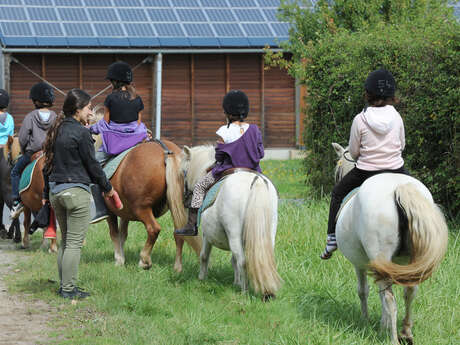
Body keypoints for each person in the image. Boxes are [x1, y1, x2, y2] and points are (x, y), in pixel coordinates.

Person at [321, 68, 410, 260]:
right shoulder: (396, 117)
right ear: (391, 95)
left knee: (337, 193)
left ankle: (331, 238)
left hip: (366, 171)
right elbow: (402, 144)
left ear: (368, 94)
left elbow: (353, 152)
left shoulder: (360, 119)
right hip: (396, 169)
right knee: (420, 193)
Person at [42, 88, 115, 299]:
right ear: (78, 109)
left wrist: (47, 192)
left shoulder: (56, 130)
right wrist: (107, 188)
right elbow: (93, 165)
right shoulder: (82, 133)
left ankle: (63, 285)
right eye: (88, 108)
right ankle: (68, 290)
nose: (91, 111)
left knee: (66, 242)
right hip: (76, 193)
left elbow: (47, 165)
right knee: (74, 243)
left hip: (56, 192)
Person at [175, 90, 264, 236]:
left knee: (199, 187)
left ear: (227, 112)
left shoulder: (224, 131)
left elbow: (219, 156)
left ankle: (191, 225)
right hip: (253, 171)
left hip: (228, 170)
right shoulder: (255, 129)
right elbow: (260, 153)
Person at [10, 82, 57, 218]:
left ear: (36, 101)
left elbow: (23, 137)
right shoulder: (55, 116)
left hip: (33, 153)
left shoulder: (30, 116)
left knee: (15, 171)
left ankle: (16, 200)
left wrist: (24, 150)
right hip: (50, 153)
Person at [90, 61, 148, 165]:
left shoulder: (110, 98)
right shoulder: (137, 98)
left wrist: (90, 129)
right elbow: (138, 123)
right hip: (135, 140)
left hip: (115, 142)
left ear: (115, 81)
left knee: (93, 164)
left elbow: (105, 124)